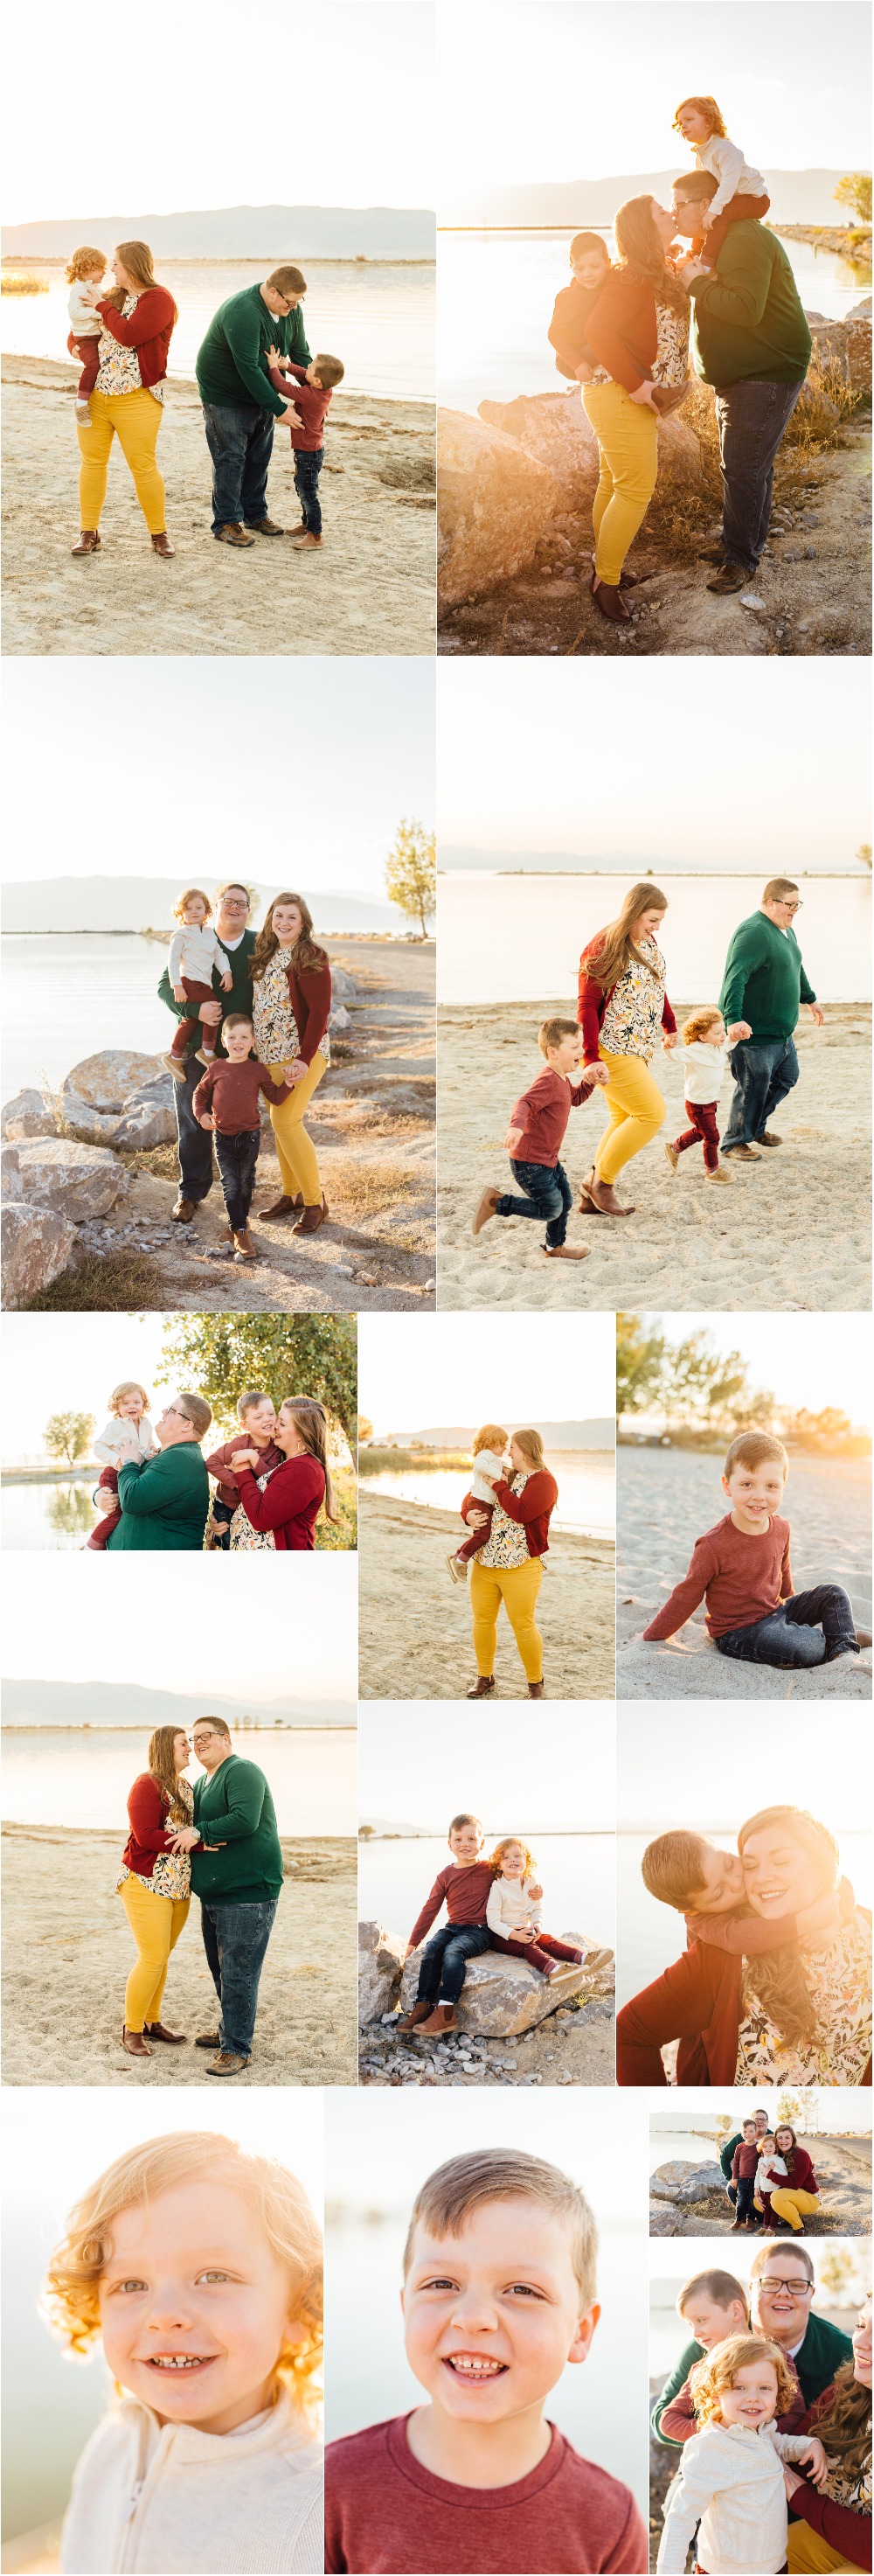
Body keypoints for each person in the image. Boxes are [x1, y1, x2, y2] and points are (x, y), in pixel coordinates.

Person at [324, 2146, 649, 2573]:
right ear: (406, 2310)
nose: (472, 2319)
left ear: (580, 2331)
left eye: (523, 2290)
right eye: (441, 2282)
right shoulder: (332, 2488)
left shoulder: (610, 2520)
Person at [45, 2129, 323, 2576]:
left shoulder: (315, 2519)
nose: (165, 2316)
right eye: (130, 2285)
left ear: (300, 2307)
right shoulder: (116, 2442)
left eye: (214, 2276)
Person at [617, 1804, 873, 2088]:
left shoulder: (864, 1926)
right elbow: (628, 2034)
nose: (747, 1880)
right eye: (752, 1865)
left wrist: (835, 1916)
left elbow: (841, 1884)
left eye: (781, 1861)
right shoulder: (717, 1953)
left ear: (821, 1862)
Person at [671, 171, 812, 595]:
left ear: (704, 204)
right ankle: (744, 543)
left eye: (679, 204)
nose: (675, 212)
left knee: (743, 468)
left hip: (766, 370)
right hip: (743, 372)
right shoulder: (717, 241)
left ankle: (741, 560)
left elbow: (747, 307)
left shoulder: (744, 237)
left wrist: (694, 283)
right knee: (747, 466)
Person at [641, 1429, 871, 1670]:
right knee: (808, 1648)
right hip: (738, 1632)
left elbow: (783, 1573)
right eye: (747, 1484)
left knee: (833, 1593)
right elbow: (686, 1596)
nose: (759, 1496)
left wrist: (792, 1611)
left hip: (776, 1611)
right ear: (727, 1486)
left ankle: (843, 1648)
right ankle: (840, 1639)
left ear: (783, 1488)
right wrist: (651, 1636)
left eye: (771, 1486)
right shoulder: (712, 1545)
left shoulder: (782, 1528)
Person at [580, 197, 690, 621]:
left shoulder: (658, 268)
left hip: (623, 396)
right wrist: (640, 385)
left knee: (613, 481)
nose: (671, 215)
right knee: (635, 488)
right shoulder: (630, 277)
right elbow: (597, 330)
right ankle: (604, 583)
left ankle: (605, 568)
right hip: (619, 395)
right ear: (646, 227)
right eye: (663, 212)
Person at [656, 2332, 829, 2574]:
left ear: (778, 2392)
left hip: (775, 2564)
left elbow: (778, 2444)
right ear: (716, 2392)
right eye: (739, 2387)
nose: (753, 2398)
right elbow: (680, 2518)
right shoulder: (711, 2447)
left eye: (765, 2388)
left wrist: (809, 2445)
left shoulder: (762, 2430)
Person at [173, 1716, 285, 2076]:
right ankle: (230, 2029)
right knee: (222, 1970)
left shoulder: (242, 1771)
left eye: (206, 1735)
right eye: (194, 1738)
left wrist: (199, 1831)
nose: (199, 1742)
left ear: (226, 1738)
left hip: (247, 1892)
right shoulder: (204, 1781)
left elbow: (244, 1819)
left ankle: (236, 2048)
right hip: (217, 1893)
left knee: (239, 1972)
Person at [158, 881, 258, 1228]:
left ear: (249, 909)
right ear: (215, 906)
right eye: (227, 901)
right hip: (193, 1050)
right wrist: (195, 1011)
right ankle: (190, 1193)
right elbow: (163, 988)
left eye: (241, 903)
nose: (234, 907)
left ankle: (243, 1190)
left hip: (240, 1054)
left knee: (242, 1126)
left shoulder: (258, 945)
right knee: (192, 1122)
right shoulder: (192, 936)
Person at [73, 240, 177, 558]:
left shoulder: (159, 299)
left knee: (143, 467)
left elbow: (129, 334)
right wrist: (73, 348)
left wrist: (102, 306)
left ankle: (158, 534)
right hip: (97, 397)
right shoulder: (114, 296)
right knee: (92, 464)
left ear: (131, 266)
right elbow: (78, 329)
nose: (111, 269)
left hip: (138, 399)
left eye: (116, 263)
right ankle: (88, 532)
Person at [577, 882, 677, 1213]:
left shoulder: (646, 941)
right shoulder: (605, 947)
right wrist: (590, 1057)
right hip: (610, 1048)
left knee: (622, 1118)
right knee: (651, 1114)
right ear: (634, 913)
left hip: (639, 1048)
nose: (657, 927)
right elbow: (588, 1006)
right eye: (652, 919)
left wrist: (669, 1024)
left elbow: (654, 986)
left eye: (660, 921)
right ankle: (601, 1184)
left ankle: (593, 1191)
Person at [196, 267, 310, 547]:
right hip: (225, 394)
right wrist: (279, 407)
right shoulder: (243, 312)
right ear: (273, 292)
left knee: (259, 456)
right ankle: (226, 522)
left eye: (298, 302)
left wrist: (313, 393)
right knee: (231, 457)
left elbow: (300, 353)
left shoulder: (291, 312)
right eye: (290, 302)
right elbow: (247, 368)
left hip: (263, 388)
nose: (294, 308)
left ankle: (255, 514)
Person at [472, 1016, 596, 1260]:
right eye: (574, 1047)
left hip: (547, 1159)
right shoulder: (548, 1079)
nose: (581, 1051)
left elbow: (576, 1098)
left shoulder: (563, 1078)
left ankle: (554, 1247)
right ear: (553, 1052)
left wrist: (590, 1082)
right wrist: (516, 1126)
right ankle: (496, 1203)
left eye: (581, 1046)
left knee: (565, 1200)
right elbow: (525, 1102)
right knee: (550, 1209)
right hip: (530, 1163)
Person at [718, 878, 824, 1164]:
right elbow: (735, 978)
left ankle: (754, 1128)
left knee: (786, 1079)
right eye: (790, 904)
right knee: (752, 1088)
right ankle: (734, 1142)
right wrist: (733, 1019)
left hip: (781, 1032)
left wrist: (810, 999)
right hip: (753, 1033)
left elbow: (796, 966)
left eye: (797, 904)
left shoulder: (785, 930)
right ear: (771, 903)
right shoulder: (755, 932)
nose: (795, 910)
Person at [651, 2266, 806, 2450]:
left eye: (701, 2320)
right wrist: (719, 2432)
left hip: (766, 2459)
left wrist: (757, 2434)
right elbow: (667, 2421)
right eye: (690, 2324)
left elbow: (796, 2414)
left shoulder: (777, 2358)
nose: (695, 2333)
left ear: (735, 2311)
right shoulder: (704, 2368)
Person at [251, 894, 332, 1237]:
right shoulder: (266, 954)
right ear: (271, 918)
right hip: (269, 1057)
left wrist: (304, 1057)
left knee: (285, 1121)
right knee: (279, 1124)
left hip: (302, 1055)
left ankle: (316, 1202)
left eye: (292, 918)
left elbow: (319, 1012)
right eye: (279, 915)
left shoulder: (310, 955)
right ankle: (292, 1194)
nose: (284, 922)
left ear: (303, 923)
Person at [459, 1428, 559, 1702]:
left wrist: (497, 1485)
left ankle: (535, 1683)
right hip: (485, 1563)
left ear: (525, 1451)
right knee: (482, 1621)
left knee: (523, 1626)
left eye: (512, 1447)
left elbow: (521, 1512)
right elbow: (471, 1495)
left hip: (522, 1567)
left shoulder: (544, 1481)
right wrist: (467, 1515)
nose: (507, 1451)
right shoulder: (503, 1471)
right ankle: (484, 1676)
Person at [116, 1726, 195, 2057]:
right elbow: (146, 1835)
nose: (189, 1748)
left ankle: (152, 2022)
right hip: (145, 1882)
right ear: (166, 1748)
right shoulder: (146, 1784)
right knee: (151, 1958)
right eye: (183, 1743)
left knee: (161, 1958)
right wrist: (201, 1845)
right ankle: (131, 2029)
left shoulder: (186, 1787)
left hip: (178, 1886)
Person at [192, 1013, 294, 1263]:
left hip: (249, 1138)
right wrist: (201, 1114)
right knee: (231, 1185)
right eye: (232, 1037)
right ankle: (240, 1232)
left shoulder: (257, 1069)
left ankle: (239, 1221)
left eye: (244, 1037)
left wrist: (289, 1084)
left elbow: (275, 1097)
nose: (238, 1041)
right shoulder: (216, 1068)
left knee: (246, 1184)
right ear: (223, 1042)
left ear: (253, 1041)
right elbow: (199, 1094)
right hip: (223, 1138)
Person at [785, 2295, 872, 2573]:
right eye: (861, 2325)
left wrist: (800, 2495)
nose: (859, 2341)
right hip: (841, 2536)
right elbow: (793, 2459)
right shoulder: (848, 2388)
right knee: (760, 2553)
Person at [396, 1812, 494, 2039]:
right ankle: (423, 2006)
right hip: (452, 1926)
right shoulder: (445, 1875)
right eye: (458, 1839)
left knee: (453, 1952)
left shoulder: (491, 1869)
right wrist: (413, 1942)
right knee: (432, 1950)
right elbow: (430, 1909)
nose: (465, 1844)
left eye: (471, 1839)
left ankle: (446, 2011)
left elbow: (515, 1882)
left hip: (479, 1930)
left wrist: (533, 1897)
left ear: (482, 1843)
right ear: (449, 1844)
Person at [749, 2242, 854, 2410]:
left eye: (797, 2285)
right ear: (751, 2290)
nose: (784, 2292)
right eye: (771, 2283)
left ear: (811, 2295)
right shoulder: (713, 2343)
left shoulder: (845, 2357)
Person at [104, 1392, 212, 1553]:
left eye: (171, 1410)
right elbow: (125, 1483)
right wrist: (100, 1495)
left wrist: (129, 1461)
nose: (163, 1411)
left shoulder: (181, 1459)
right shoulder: (163, 1454)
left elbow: (132, 1499)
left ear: (187, 1425)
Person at [672, 95, 770, 265]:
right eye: (681, 123)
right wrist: (707, 211)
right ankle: (694, 254)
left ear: (708, 122)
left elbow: (729, 183)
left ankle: (707, 263)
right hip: (734, 198)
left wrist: (713, 210)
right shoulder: (700, 157)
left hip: (754, 199)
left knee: (718, 217)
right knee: (706, 217)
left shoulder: (723, 148)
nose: (684, 125)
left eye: (689, 119)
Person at [232, 1396, 337, 1551]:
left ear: (303, 1433)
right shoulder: (287, 1463)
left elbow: (261, 1519)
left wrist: (242, 1471)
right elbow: (253, 1500)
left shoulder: (304, 1470)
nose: (274, 1426)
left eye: (282, 1423)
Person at [266, 345, 345, 547]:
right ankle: (307, 523)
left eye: (310, 367)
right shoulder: (324, 390)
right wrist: (288, 365)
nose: (306, 368)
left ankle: (315, 535)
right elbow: (304, 374)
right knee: (302, 487)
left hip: (308, 453)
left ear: (316, 380)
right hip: (312, 450)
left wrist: (274, 367)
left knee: (308, 493)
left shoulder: (309, 395)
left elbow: (284, 387)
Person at [663, 1006, 751, 1185]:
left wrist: (737, 1035)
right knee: (712, 1137)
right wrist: (667, 1046)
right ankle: (712, 1171)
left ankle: (674, 1148)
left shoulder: (718, 1046)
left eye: (723, 1030)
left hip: (710, 1101)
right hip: (697, 1104)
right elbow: (675, 1056)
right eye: (718, 1032)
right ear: (703, 1037)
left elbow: (729, 1043)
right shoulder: (695, 1050)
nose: (723, 1035)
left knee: (700, 1132)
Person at [484, 1835, 585, 1979]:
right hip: (501, 1936)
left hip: (524, 1930)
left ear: (527, 1860)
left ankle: (582, 1958)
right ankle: (553, 1970)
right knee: (527, 1947)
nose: (512, 1859)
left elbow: (537, 1909)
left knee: (546, 1939)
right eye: (506, 1857)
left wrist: (536, 1924)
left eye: (517, 1855)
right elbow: (493, 1922)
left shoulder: (531, 1882)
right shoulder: (498, 1887)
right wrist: (515, 1935)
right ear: (499, 1865)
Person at [161, 888, 232, 1080]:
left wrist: (227, 972)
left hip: (203, 983)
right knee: (214, 1009)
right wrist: (177, 986)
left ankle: (175, 1055)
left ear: (206, 911)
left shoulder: (209, 933)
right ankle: (207, 1052)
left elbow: (218, 954)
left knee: (190, 1020)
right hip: (189, 981)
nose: (194, 911)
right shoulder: (181, 935)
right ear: (181, 912)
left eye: (198, 907)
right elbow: (173, 962)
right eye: (189, 908)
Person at [205, 1389, 284, 1551]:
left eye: (271, 1413)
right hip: (227, 1505)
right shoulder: (239, 1444)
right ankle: (214, 1539)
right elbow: (212, 1463)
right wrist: (237, 1484)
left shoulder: (277, 1449)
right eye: (258, 1417)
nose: (267, 1419)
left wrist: (254, 1459)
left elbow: (269, 1480)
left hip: (250, 1508)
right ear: (244, 1425)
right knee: (229, 1544)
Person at [86, 1379, 159, 1550]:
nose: (131, 1406)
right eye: (125, 1403)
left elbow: (147, 1446)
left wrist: (151, 1451)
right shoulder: (116, 1426)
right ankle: (91, 1547)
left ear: (144, 1404)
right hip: (114, 1473)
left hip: (134, 1473)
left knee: (127, 1513)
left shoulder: (147, 1424)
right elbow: (98, 1447)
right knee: (116, 1514)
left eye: (136, 1402)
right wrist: (118, 1461)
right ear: (117, 1408)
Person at [547, 231, 613, 386]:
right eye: (580, 269)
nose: (587, 274)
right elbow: (554, 334)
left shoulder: (610, 282)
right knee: (613, 339)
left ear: (607, 264)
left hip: (590, 345)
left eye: (594, 267)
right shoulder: (569, 297)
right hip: (570, 359)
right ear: (572, 268)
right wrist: (578, 364)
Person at [446, 1424, 509, 1583]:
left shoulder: (494, 1459)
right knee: (482, 1535)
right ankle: (461, 1561)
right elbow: (481, 1466)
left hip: (485, 1502)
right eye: (503, 1443)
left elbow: (502, 1466)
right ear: (492, 1441)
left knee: (480, 1534)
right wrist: (501, 1476)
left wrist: (506, 1469)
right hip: (480, 1501)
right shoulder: (484, 1454)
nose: (505, 1448)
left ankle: (456, 1555)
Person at [65, 246, 107, 423]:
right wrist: (99, 313)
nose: (104, 271)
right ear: (86, 268)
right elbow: (74, 313)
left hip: (96, 335)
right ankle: (81, 403)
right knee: (93, 365)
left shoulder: (95, 287)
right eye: (100, 268)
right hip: (86, 338)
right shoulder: (79, 289)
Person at [760, 2127, 822, 2237]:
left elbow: (794, 2184)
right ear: (775, 2140)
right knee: (758, 2200)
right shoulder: (776, 2154)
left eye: (787, 2137)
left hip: (809, 2197)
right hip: (792, 2194)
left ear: (793, 2139)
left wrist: (770, 2174)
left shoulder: (800, 2154)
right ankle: (788, 2216)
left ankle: (799, 2227)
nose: (784, 2141)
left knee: (776, 2197)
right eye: (780, 2138)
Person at [719, 2106, 772, 2212]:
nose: (760, 2122)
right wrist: (731, 2178)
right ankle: (744, 2214)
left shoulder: (773, 2137)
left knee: (762, 2215)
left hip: (766, 2180)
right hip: (744, 2179)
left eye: (763, 2119)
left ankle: (762, 2214)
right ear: (751, 2121)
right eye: (757, 2119)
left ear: (767, 2122)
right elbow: (724, 2157)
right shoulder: (740, 2138)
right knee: (731, 2189)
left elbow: (787, 2156)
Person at [729, 2121, 765, 2233]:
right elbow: (735, 2163)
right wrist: (735, 2178)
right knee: (741, 2200)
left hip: (754, 2181)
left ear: (755, 2132)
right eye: (745, 2131)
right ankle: (739, 2219)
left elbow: (762, 2162)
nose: (747, 2134)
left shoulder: (758, 2147)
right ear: (741, 2133)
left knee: (751, 2202)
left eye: (750, 2131)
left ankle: (750, 2220)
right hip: (742, 2179)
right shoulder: (739, 2147)